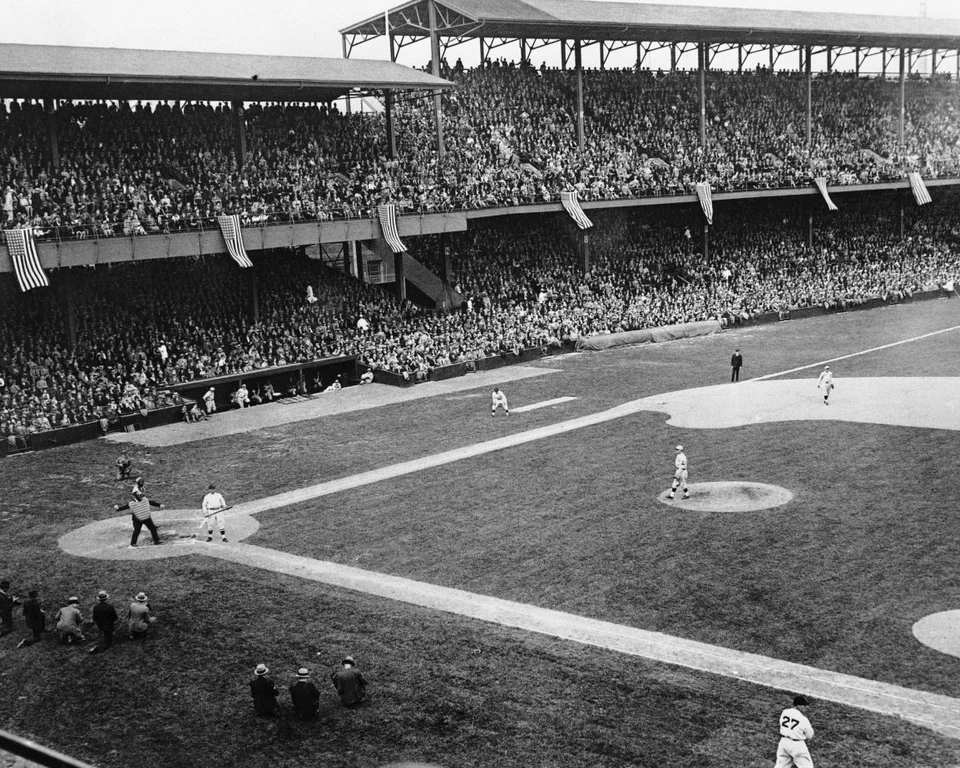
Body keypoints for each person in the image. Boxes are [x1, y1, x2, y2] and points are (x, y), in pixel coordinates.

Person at [775, 694, 815, 768]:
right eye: (804, 705)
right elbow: (810, 735)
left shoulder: (785, 712)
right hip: (797, 745)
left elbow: (781, 723)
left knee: (781, 765)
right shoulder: (803, 718)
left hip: (783, 742)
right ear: (798, 706)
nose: (806, 707)